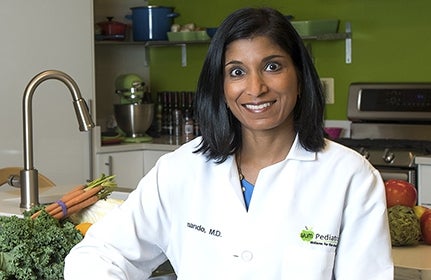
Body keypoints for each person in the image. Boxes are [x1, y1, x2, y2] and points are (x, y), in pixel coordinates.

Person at [65, 7, 393, 279]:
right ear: (220, 86)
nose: (256, 87)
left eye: (272, 66)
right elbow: (100, 254)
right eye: (236, 72)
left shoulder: (350, 177)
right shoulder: (182, 170)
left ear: (300, 78)